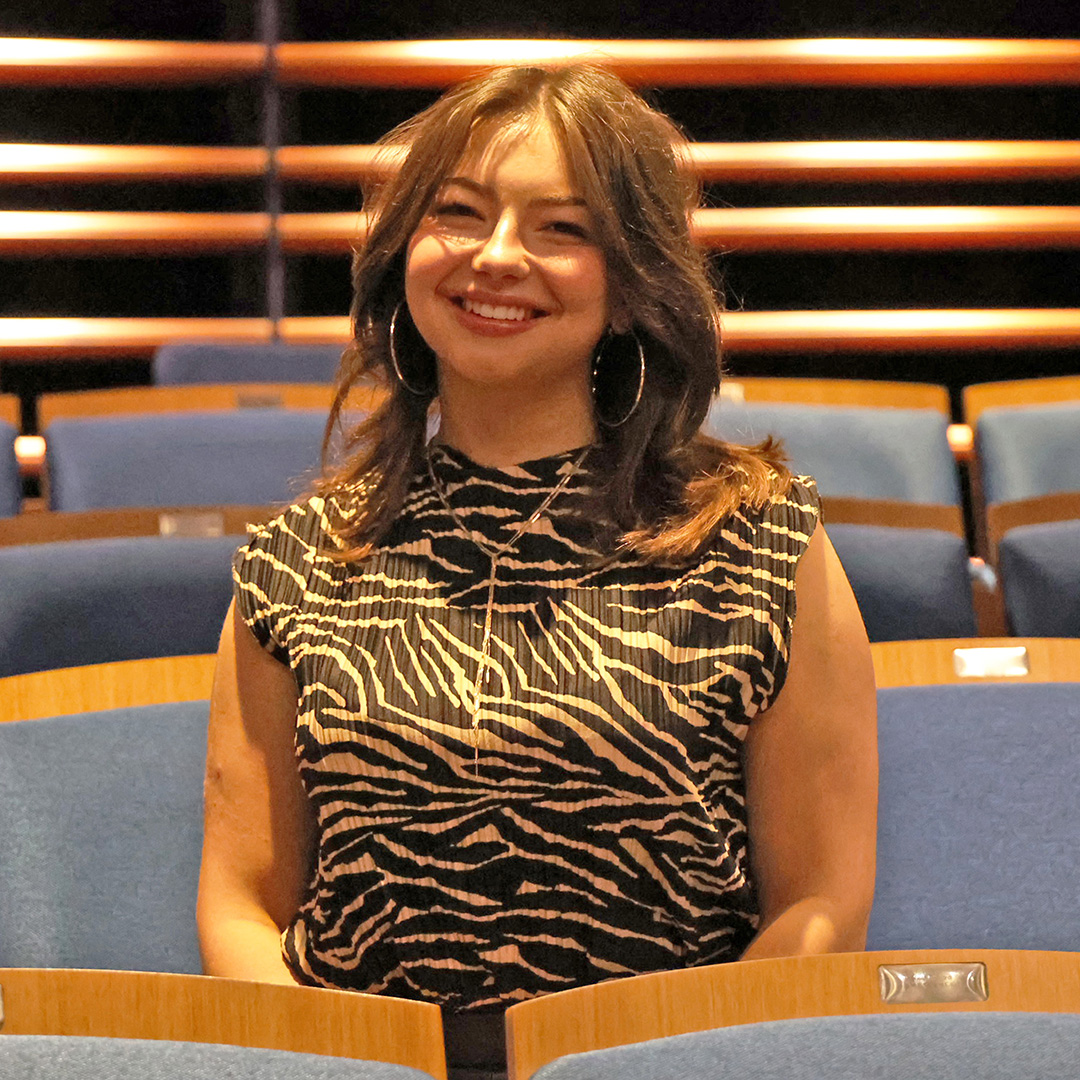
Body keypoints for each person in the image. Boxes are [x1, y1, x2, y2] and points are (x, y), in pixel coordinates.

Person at [198, 64, 877, 1080]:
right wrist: (336, 1066)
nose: (498, 257)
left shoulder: (758, 541)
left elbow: (822, 903)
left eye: (562, 228)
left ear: (632, 282)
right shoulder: (299, 559)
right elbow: (242, 906)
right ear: (405, 251)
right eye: (459, 214)